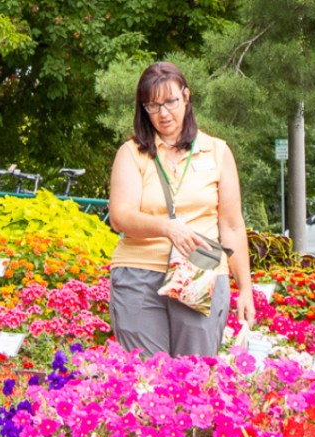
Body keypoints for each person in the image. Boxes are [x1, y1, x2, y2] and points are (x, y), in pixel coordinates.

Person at [108, 62, 255, 358]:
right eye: (152, 106)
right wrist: (167, 228)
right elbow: (120, 217)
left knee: (196, 376)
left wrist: (246, 289)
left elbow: (232, 225)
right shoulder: (131, 153)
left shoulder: (217, 151)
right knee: (147, 380)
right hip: (139, 274)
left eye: (171, 102)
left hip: (202, 272)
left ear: (186, 97)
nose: (163, 113)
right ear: (143, 109)